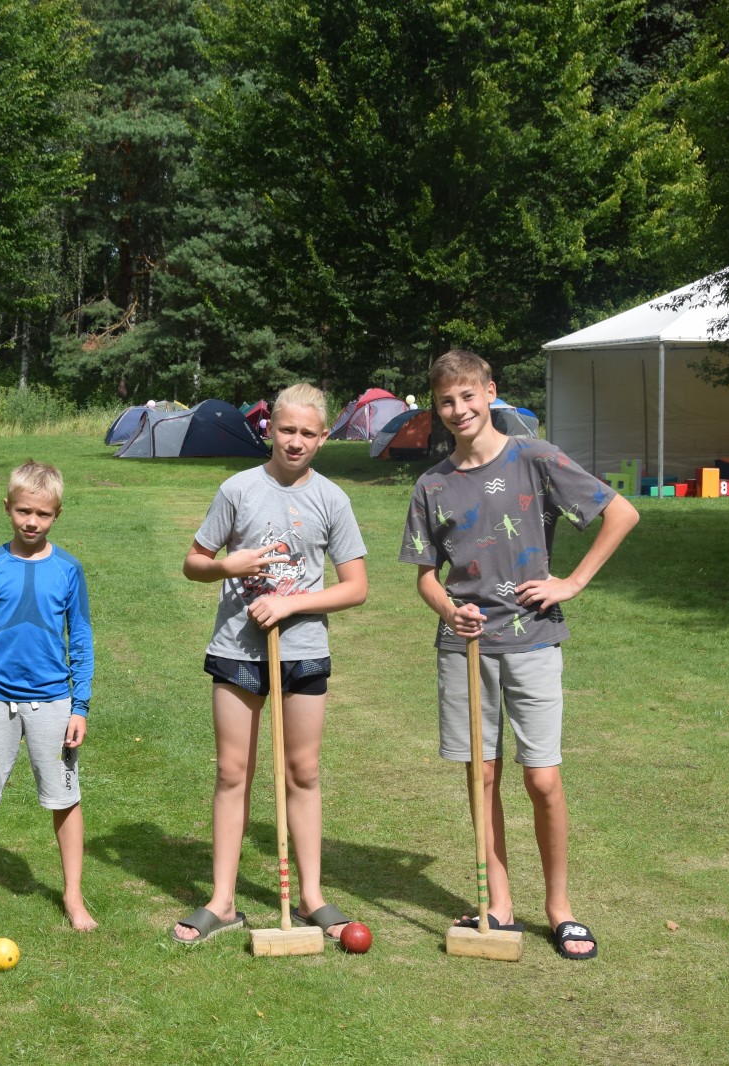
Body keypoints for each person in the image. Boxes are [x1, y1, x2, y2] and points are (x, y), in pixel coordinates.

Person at [399, 349, 638, 960]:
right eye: (446, 401)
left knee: (542, 778)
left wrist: (571, 582)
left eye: (468, 396)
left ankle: (560, 909)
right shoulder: (431, 484)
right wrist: (447, 609)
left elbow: (621, 512)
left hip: (533, 639)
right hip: (466, 648)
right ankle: (499, 904)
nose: (458, 409)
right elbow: (426, 576)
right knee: (482, 776)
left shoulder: (535, 457)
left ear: (490, 392)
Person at [171, 384, 368, 944]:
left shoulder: (332, 499)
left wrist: (290, 603)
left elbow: (355, 587)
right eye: (286, 430)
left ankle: (312, 898)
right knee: (232, 771)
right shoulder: (238, 489)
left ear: (323, 438)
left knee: (303, 772)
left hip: (303, 651)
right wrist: (227, 565)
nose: (296, 441)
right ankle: (222, 901)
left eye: (307, 433)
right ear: (269, 429)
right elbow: (194, 562)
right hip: (237, 649)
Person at [0, 460, 96, 932]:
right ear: (7, 507)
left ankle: (73, 896)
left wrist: (80, 706)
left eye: (43, 514)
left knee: (64, 800)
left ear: (57, 515)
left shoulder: (69, 569)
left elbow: (81, 639)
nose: (32, 522)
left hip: (54, 704)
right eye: (24, 511)